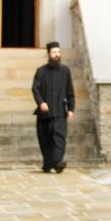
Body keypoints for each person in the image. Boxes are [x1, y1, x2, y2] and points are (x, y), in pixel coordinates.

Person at [31, 40, 75, 173]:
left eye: (58, 52)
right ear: (49, 54)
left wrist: (71, 109)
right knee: (45, 139)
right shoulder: (41, 71)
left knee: (59, 138)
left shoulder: (65, 71)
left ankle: (58, 162)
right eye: (54, 52)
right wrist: (41, 102)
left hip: (60, 112)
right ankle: (49, 164)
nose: (56, 55)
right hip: (44, 113)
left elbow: (70, 91)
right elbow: (35, 89)